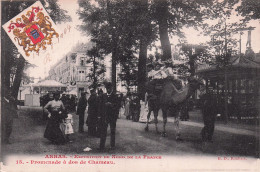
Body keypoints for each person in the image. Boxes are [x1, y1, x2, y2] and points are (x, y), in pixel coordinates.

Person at [98, 82, 119, 150]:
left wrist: (111, 105)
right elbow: (100, 106)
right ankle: (102, 146)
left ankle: (112, 145)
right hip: (105, 116)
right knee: (103, 131)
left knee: (112, 131)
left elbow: (117, 106)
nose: (108, 90)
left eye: (109, 88)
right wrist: (100, 115)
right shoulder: (103, 96)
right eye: (107, 89)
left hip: (112, 117)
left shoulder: (115, 96)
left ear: (112, 88)